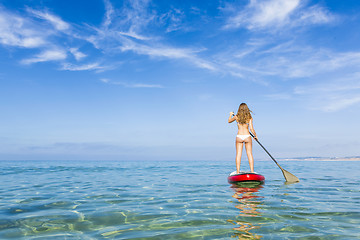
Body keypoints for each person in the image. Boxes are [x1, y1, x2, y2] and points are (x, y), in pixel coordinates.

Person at [228, 103, 258, 174]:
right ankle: (252, 171)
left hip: (239, 137)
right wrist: (255, 135)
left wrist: (230, 114)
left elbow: (229, 121)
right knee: (249, 154)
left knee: (238, 154)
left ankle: (238, 171)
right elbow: (251, 129)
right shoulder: (249, 117)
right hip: (247, 136)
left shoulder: (236, 117)